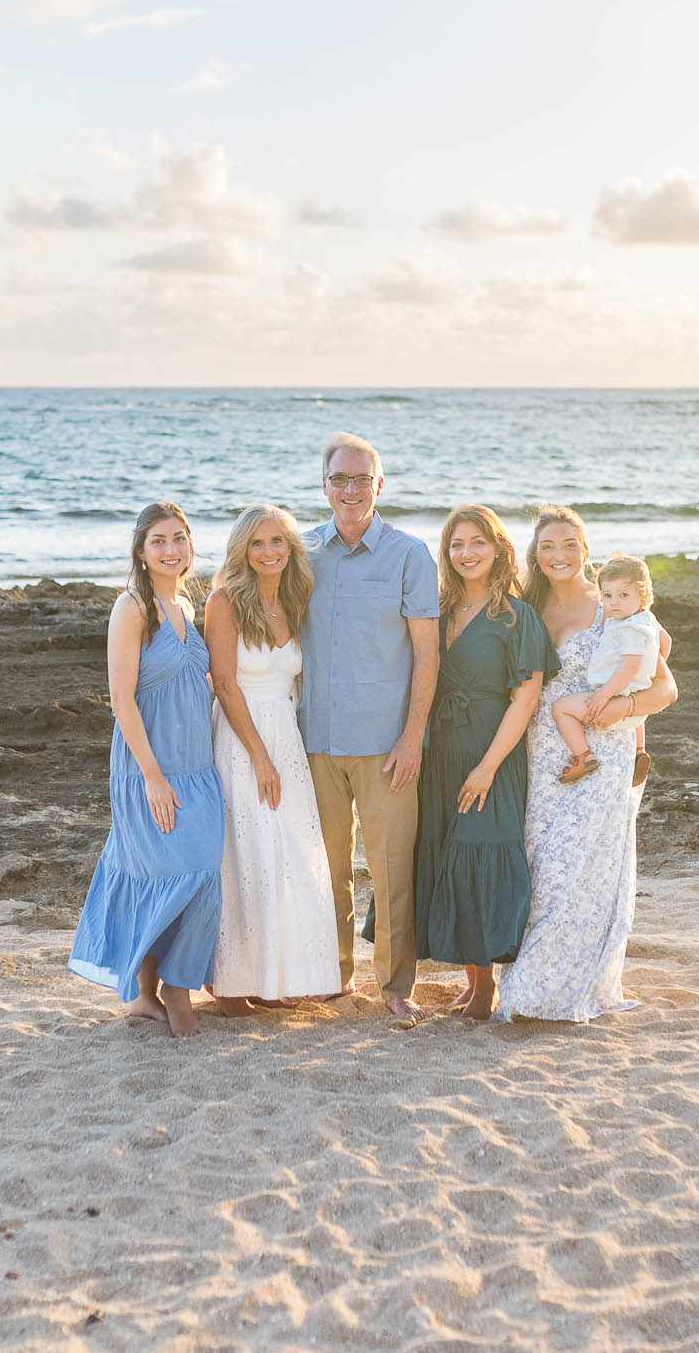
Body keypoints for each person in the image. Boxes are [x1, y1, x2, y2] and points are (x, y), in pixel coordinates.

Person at [496, 505, 679, 1024]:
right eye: (547, 546)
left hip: (601, 752)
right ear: (534, 554)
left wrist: (614, 710)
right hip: (539, 752)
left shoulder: (616, 607)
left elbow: (665, 686)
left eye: (569, 545)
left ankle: (545, 995)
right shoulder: (524, 605)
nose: (559, 555)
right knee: (541, 866)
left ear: (586, 550)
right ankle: (534, 985)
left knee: (575, 867)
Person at [67, 502, 226, 1039]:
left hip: (198, 767)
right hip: (149, 769)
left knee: (200, 875)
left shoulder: (186, 602)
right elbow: (120, 698)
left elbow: (193, 682)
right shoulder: (132, 607)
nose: (171, 549)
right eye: (159, 540)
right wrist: (153, 777)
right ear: (141, 550)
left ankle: (162, 988)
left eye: (179, 538)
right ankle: (156, 993)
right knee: (162, 875)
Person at [300, 433, 438, 1022]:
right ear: (324, 486)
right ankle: (332, 975)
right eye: (340, 480)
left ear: (379, 485)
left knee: (391, 866)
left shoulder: (409, 555)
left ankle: (396, 984)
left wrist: (412, 737)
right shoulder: (300, 553)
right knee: (323, 865)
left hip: (387, 743)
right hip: (314, 740)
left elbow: (428, 655)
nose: (351, 490)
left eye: (362, 479)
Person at [409, 503, 555, 1020]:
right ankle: (473, 980)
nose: (466, 553)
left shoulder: (518, 616)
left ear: (498, 549)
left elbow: (526, 698)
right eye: (456, 544)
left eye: (477, 542)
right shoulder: (440, 609)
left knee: (481, 849)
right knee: (450, 850)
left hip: (490, 750)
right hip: (442, 750)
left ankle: (488, 983)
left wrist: (488, 766)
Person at [204, 503, 340, 1012]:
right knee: (246, 854)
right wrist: (260, 759)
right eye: (257, 543)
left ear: (291, 547)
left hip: (286, 733)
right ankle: (232, 986)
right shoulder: (225, 601)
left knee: (289, 855)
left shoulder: (293, 599)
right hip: (243, 738)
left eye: (278, 541)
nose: (268, 552)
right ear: (242, 549)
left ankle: (275, 978)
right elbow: (224, 683)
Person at [549, 553, 661, 785]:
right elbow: (664, 644)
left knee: (561, 708)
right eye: (608, 596)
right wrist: (647, 669)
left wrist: (603, 694)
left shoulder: (628, 629)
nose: (614, 602)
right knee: (637, 717)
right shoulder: (645, 620)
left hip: (613, 696)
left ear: (643, 595)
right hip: (634, 698)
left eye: (623, 595)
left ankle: (583, 756)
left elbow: (629, 666)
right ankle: (639, 751)